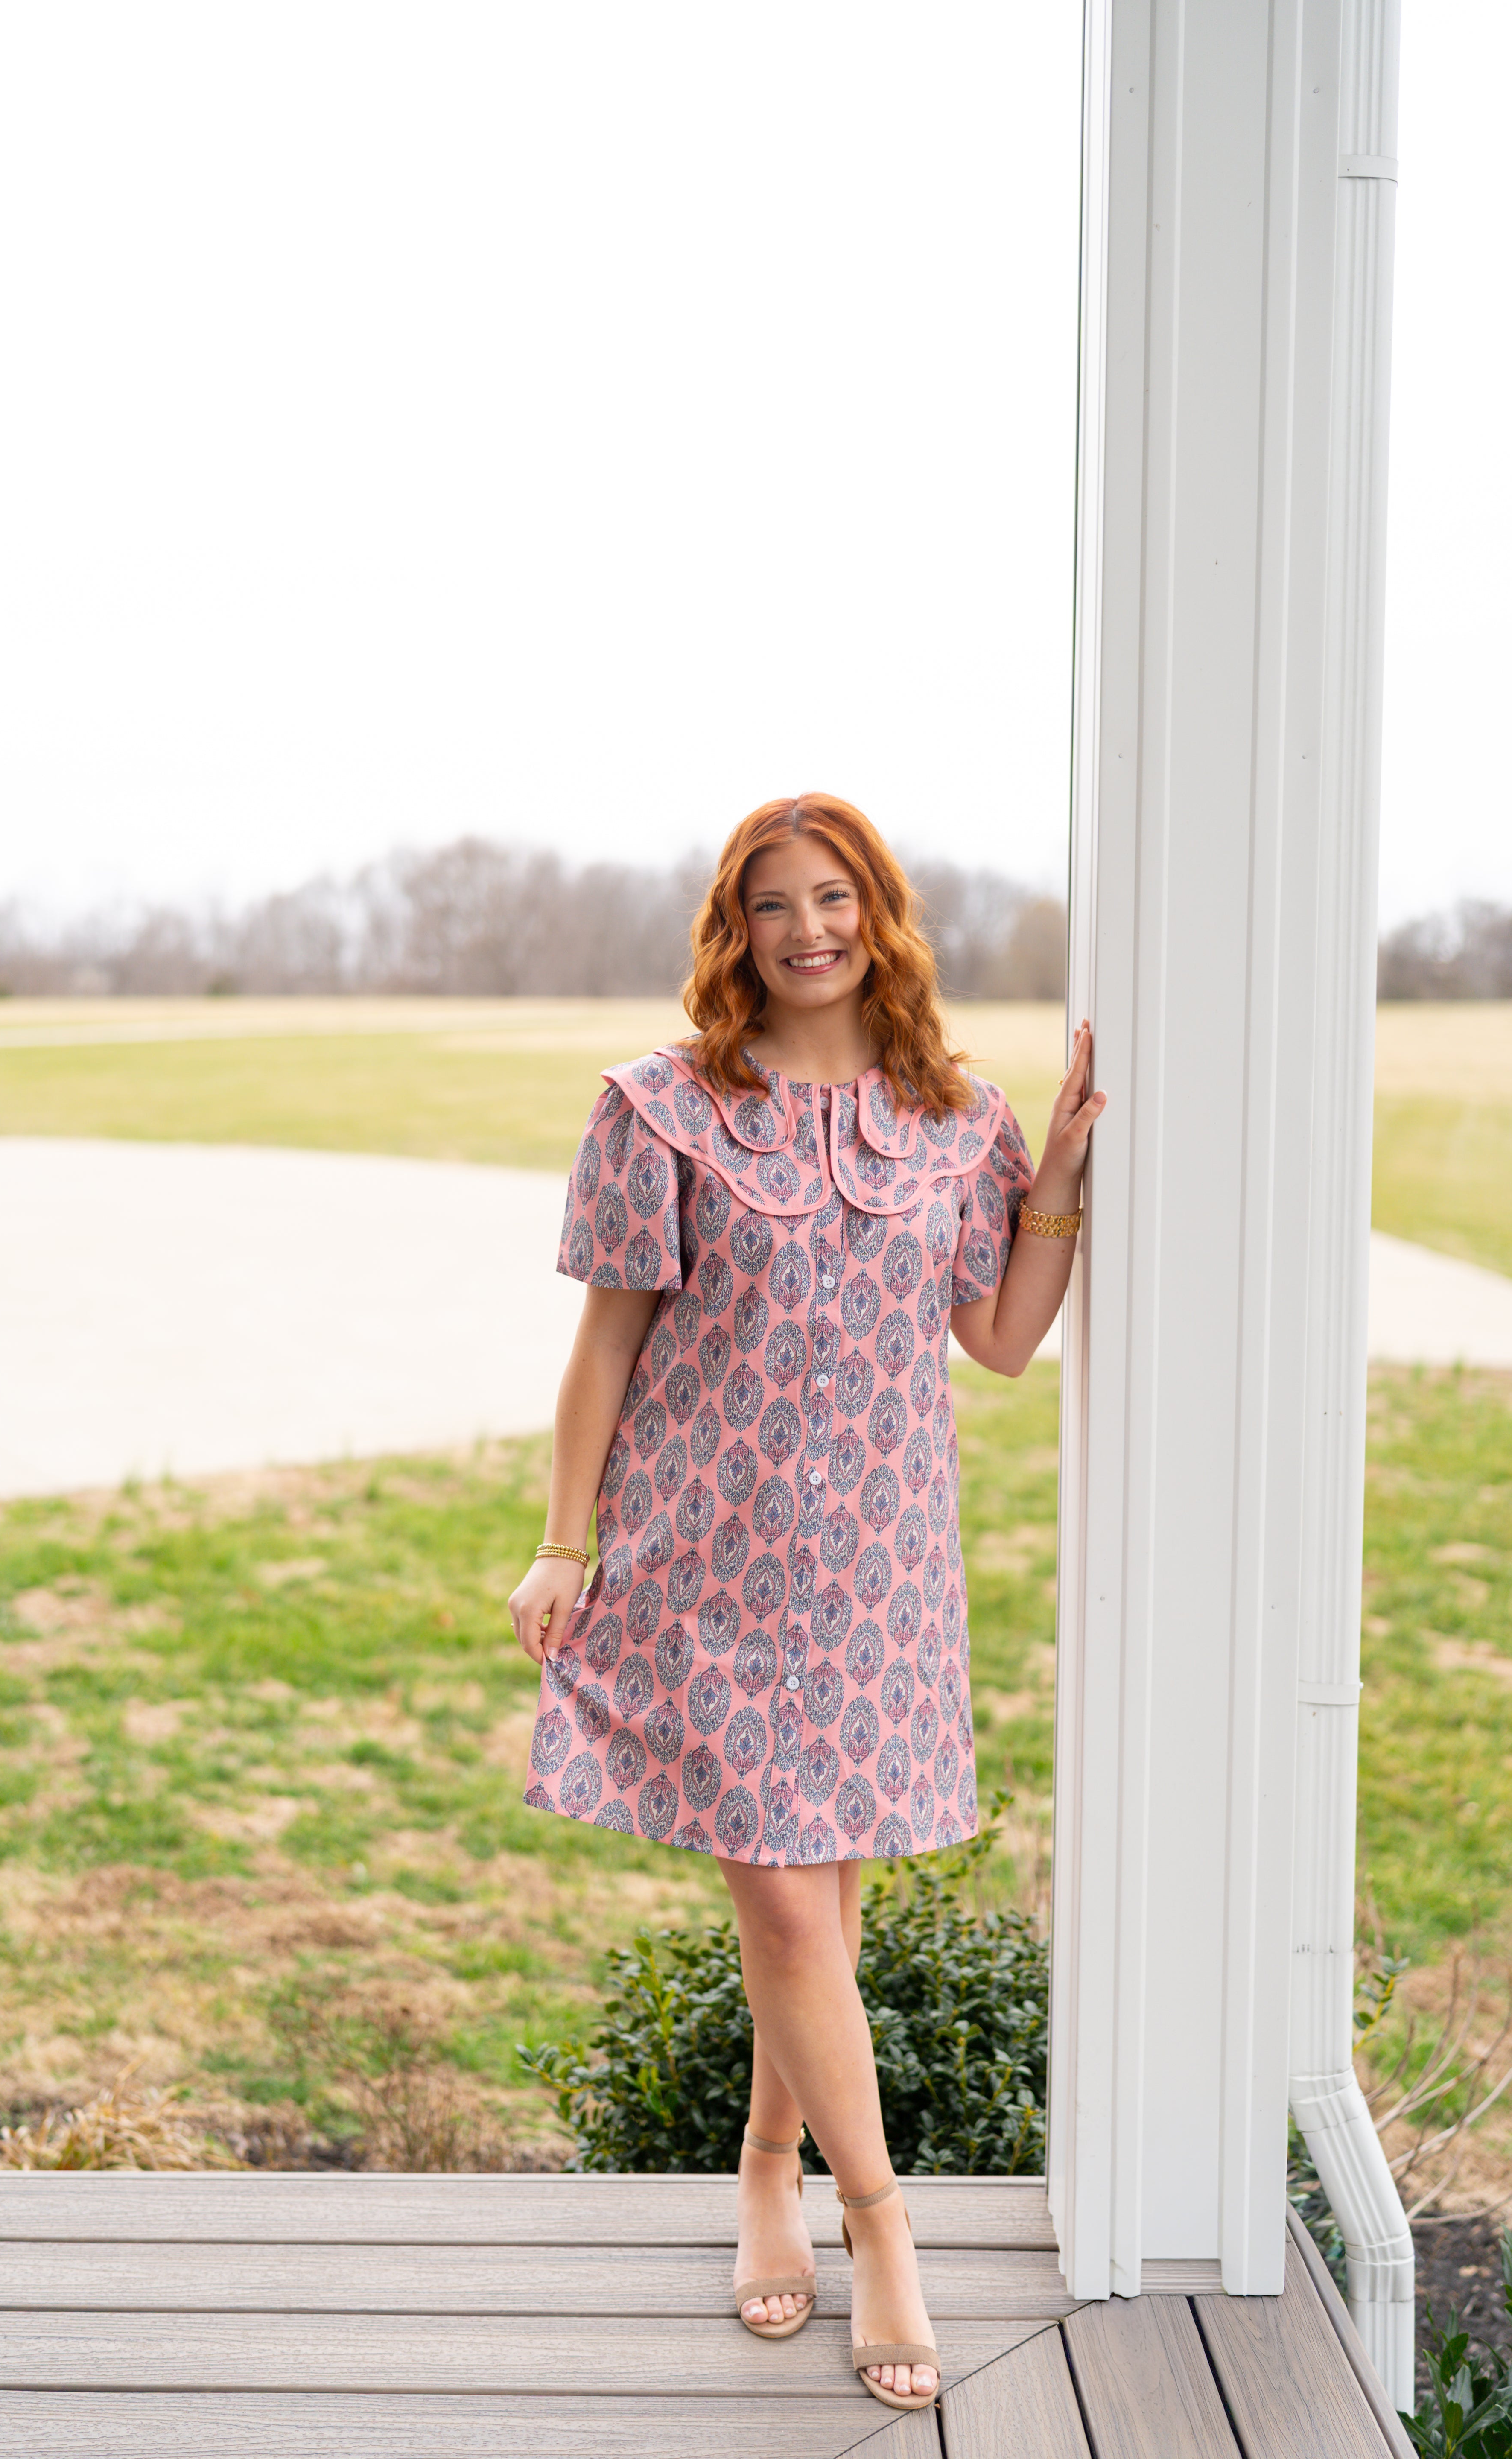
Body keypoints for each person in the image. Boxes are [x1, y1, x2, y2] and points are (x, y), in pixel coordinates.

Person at [508, 792, 1104, 2412]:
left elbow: (1001, 1339)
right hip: (703, 1563)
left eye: (833, 898)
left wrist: (1057, 1170)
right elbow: (606, 1348)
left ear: (878, 914)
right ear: (736, 930)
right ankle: (881, 2226)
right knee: (785, 1910)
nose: (808, 930)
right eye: (773, 904)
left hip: (877, 1575)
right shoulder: (662, 1108)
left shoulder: (958, 1120)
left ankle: (769, 2167)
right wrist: (564, 1543)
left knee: (819, 1922)